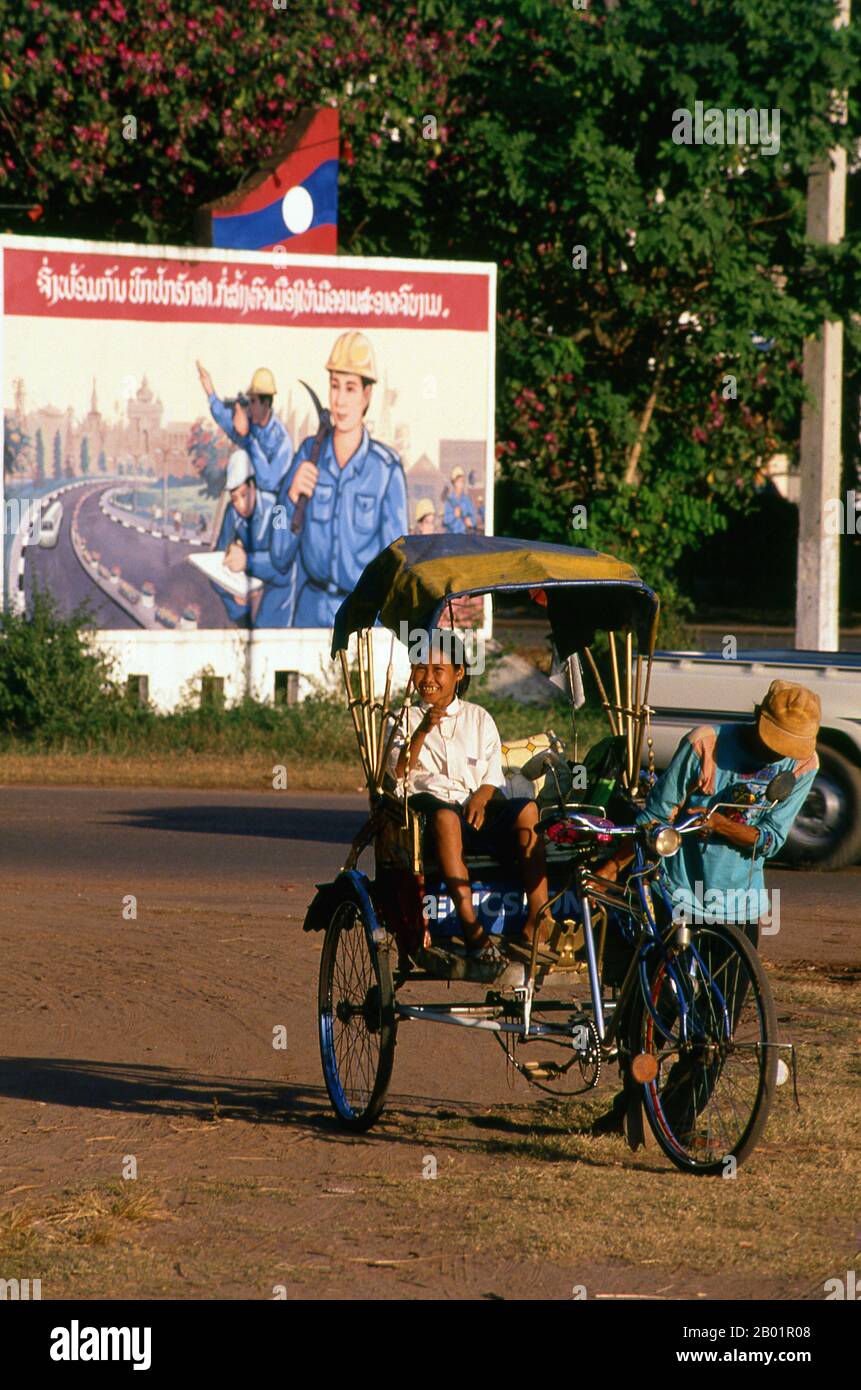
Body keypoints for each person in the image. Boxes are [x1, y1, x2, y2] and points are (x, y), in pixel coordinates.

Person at [593, 679, 821, 1133]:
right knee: (654, 1014)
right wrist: (617, 864)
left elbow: (771, 839)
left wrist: (717, 824)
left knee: (716, 1030)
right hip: (677, 895)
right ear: (758, 720)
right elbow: (654, 818)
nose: (779, 755)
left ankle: (677, 1124)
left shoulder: (803, 765)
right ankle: (633, 1105)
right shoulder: (704, 746)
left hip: (736, 903)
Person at [385, 632, 553, 963]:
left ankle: (539, 918)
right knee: (446, 817)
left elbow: (492, 773)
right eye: (420, 669)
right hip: (428, 814)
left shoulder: (478, 718)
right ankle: (471, 926)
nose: (427, 679)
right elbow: (398, 771)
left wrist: (484, 794)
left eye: (437, 670)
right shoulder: (402, 718)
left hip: (475, 809)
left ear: (459, 673)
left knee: (528, 810)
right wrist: (423, 730)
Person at [270, 331, 408, 626]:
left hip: (364, 616)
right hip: (309, 612)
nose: (340, 400)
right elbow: (278, 552)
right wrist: (289, 497)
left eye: (350, 388)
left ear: (366, 395)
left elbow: (397, 564)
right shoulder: (309, 453)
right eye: (334, 387)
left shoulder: (385, 470)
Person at [212, 450, 294, 627]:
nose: (239, 505)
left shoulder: (279, 509)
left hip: (277, 589)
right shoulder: (232, 512)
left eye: (243, 495)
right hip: (245, 589)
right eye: (234, 498)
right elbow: (220, 554)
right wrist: (233, 593)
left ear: (253, 486)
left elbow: (283, 563)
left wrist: (248, 563)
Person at [196, 362, 293, 494]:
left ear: (265, 403)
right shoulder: (251, 422)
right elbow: (223, 417)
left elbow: (268, 482)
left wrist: (248, 438)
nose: (249, 407)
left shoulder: (282, 441)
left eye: (253, 401)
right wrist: (210, 392)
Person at [443, 466, 477, 534]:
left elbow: (473, 521)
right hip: (451, 538)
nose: (460, 483)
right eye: (458, 481)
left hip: (464, 538)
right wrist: (454, 515)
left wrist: (470, 522)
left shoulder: (467, 501)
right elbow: (445, 521)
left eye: (462, 481)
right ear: (453, 482)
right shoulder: (449, 502)